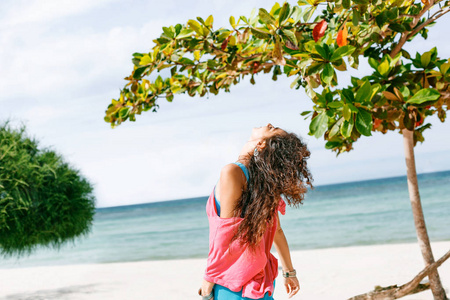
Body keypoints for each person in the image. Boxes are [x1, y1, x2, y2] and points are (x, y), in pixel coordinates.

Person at [198, 123, 314, 300]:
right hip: (261, 281)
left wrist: (209, 278)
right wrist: (289, 273)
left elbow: (225, 234)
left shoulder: (232, 172)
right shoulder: (266, 185)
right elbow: (278, 232)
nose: (268, 124)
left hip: (232, 284)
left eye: (272, 129)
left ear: (261, 145)